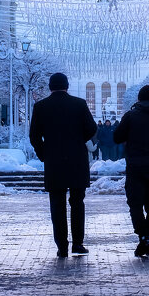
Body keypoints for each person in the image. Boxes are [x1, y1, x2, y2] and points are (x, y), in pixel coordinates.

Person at [29, 72, 97, 257]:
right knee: (77, 203)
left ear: (50, 87)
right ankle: (78, 244)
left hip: (54, 162)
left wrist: (44, 154)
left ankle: (62, 246)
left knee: (57, 204)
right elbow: (92, 128)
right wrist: (78, 140)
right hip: (77, 160)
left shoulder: (41, 106)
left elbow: (34, 136)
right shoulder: (79, 104)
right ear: (67, 86)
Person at [113, 84, 149, 257]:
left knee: (135, 204)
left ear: (139, 98)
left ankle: (144, 237)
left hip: (135, 166)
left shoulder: (131, 116)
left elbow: (117, 137)